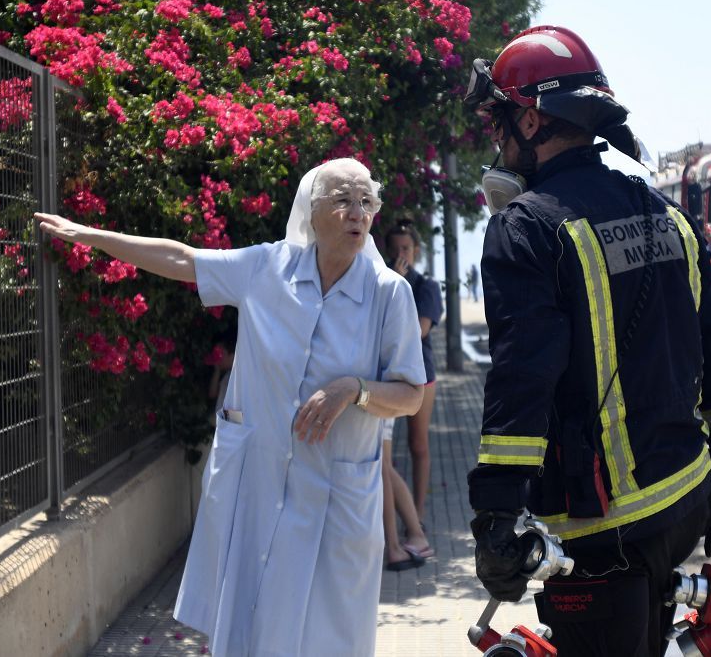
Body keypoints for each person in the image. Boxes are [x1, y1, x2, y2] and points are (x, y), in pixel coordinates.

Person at [34, 157, 427, 656]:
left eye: (366, 202)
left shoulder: (389, 294)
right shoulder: (267, 267)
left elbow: (411, 394)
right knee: (252, 620)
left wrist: (354, 389)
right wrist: (90, 236)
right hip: (261, 486)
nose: (358, 212)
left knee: (332, 634)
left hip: (338, 494)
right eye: (343, 200)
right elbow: (183, 259)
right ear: (312, 209)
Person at [462, 26, 711, 656]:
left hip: (602, 528)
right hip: (685, 500)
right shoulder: (666, 215)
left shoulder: (526, 228)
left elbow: (521, 378)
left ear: (531, 122)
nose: (495, 137)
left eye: (499, 120)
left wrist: (496, 517)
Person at [385, 219, 443, 527]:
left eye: (405, 248)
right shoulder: (381, 282)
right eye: (394, 249)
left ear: (416, 251)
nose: (400, 255)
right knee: (383, 451)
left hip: (421, 374)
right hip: (387, 376)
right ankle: (394, 516)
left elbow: (418, 330)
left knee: (418, 446)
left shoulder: (426, 287)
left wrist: (398, 285)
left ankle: (417, 514)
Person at [381, 417, 434, 570]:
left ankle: (398, 544)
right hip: (376, 399)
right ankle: (401, 541)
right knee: (382, 465)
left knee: (381, 465)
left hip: (376, 401)